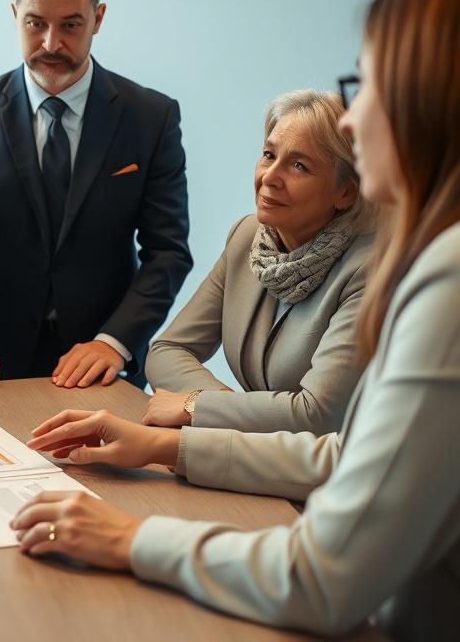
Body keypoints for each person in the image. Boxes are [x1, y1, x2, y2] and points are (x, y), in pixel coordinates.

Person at [9, 0, 460, 640]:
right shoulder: (292, 240)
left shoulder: (446, 277)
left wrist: (133, 538)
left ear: (430, 104)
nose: (349, 118)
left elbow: (319, 577)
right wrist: (160, 446)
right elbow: (344, 455)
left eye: (366, 83)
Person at [0, 0, 192, 393]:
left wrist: (114, 342)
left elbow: (168, 251)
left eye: (70, 25)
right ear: (15, 15)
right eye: (35, 24)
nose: (51, 43)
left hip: (103, 366)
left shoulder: (151, 117)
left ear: (98, 18)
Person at [141, 90, 375, 435]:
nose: (269, 177)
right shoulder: (248, 236)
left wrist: (197, 407)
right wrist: (220, 404)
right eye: (269, 155)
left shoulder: (369, 269)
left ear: (346, 192)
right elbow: (167, 349)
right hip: (249, 460)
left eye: (299, 165)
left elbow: (318, 415)